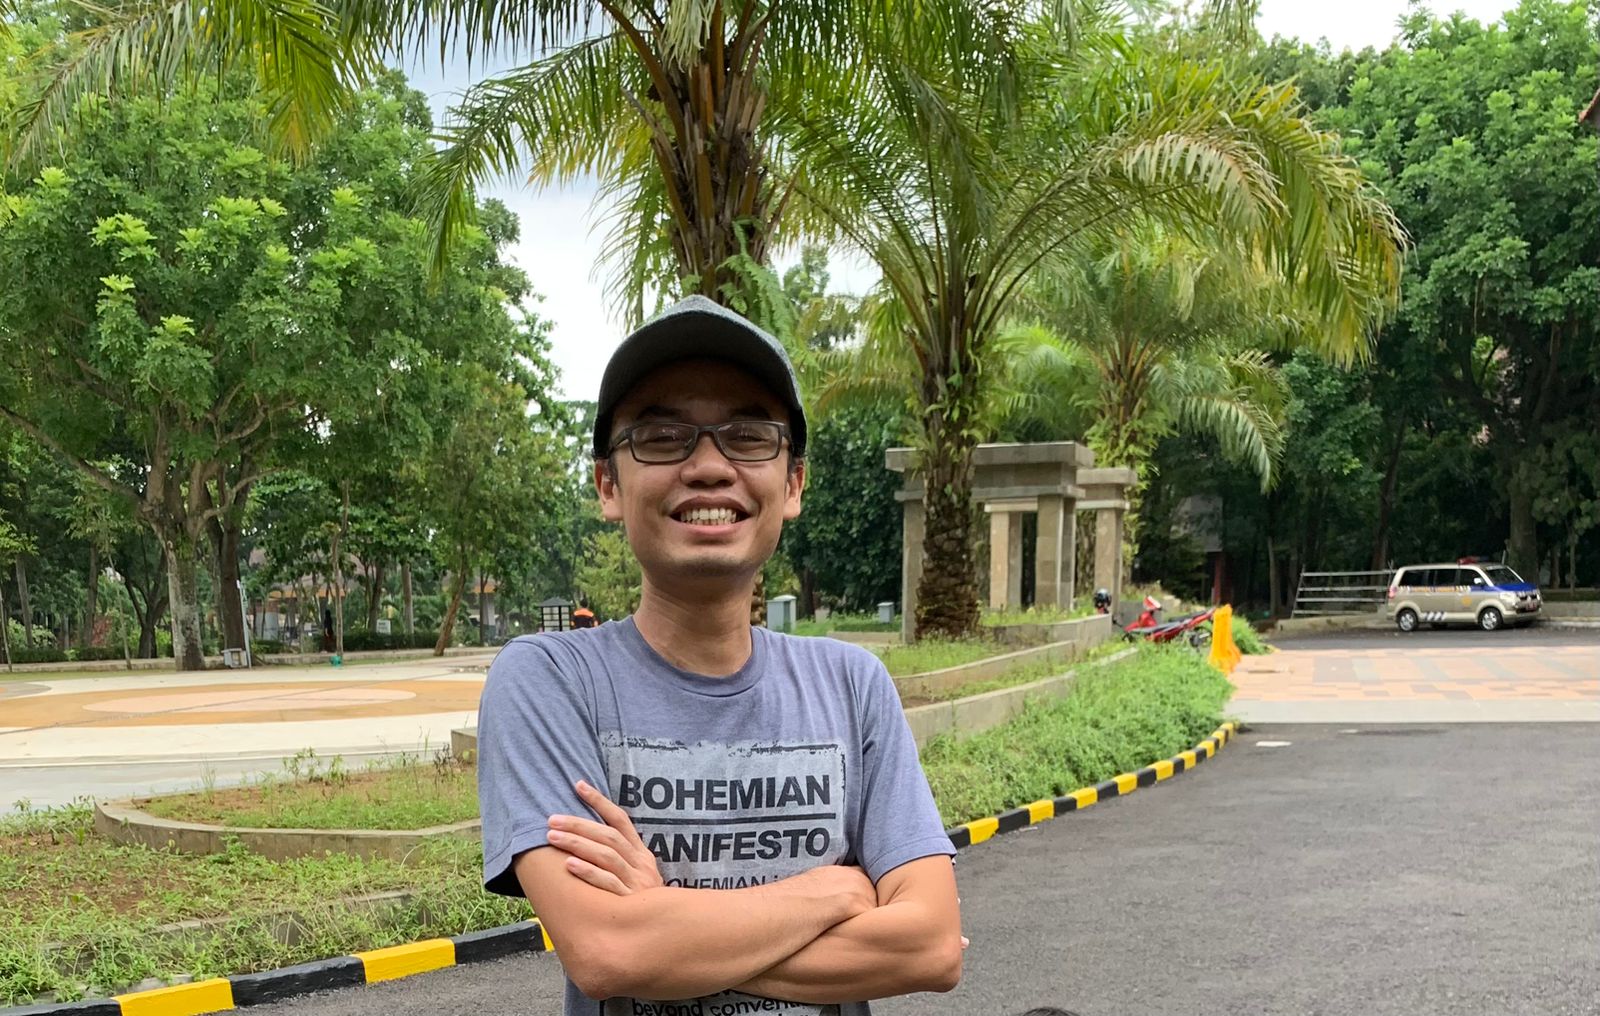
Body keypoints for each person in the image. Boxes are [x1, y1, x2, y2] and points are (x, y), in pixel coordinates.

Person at [477, 296, 963, 1016]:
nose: (708, 466)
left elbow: (930, 946)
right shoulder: (550, 681)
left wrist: (666, 924)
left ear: (792, 484)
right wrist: (834, 891)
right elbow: (608, 950)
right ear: (608, 485)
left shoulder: (852, 685)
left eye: (748, 436)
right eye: (662, 436)